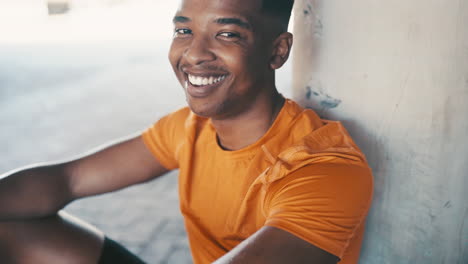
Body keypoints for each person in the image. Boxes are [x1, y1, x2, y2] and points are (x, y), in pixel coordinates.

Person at [0, 0, 373, 263]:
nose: (194, 54)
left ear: (277, 51)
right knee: (13, 229)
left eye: (226, 34)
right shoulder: (187, 128)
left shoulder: (321, 167)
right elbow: (68, 179)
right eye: (184, 30)